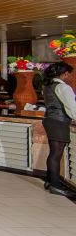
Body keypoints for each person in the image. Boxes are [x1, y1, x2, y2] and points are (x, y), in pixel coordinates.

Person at [41, 62, 76, 196]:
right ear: (64, 74)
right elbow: (71, 107)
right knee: (56, 154)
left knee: (53, 153)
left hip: (50, 119)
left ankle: (50, 181)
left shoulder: (48, 86)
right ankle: (55, 185)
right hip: (58, 121)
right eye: (70, 74)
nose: (71, 76)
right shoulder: (63, 87)